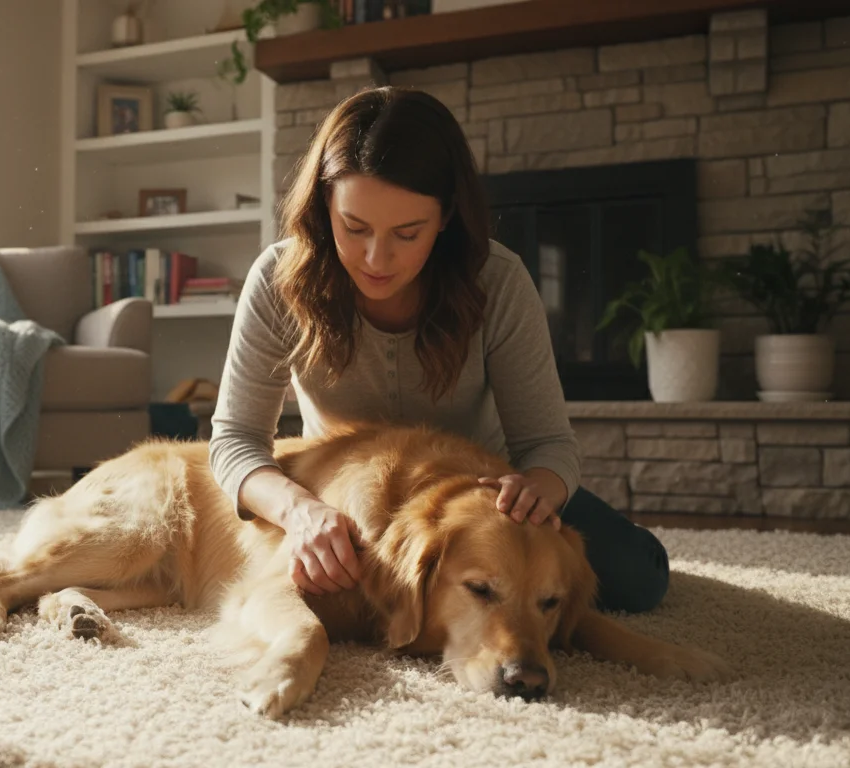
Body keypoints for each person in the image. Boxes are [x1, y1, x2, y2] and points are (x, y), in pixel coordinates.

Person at [207, 86, 669, 614]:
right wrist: (300, 512)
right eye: (353, 228)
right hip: (350, 502)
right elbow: (236, 439)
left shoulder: (498, 282)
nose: (377, 258)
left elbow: (548, 444)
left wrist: (539, 487)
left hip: (480, 505)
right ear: (323, 206)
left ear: (446, 216)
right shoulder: (279, 277)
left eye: (408, 233)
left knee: (637, 579)